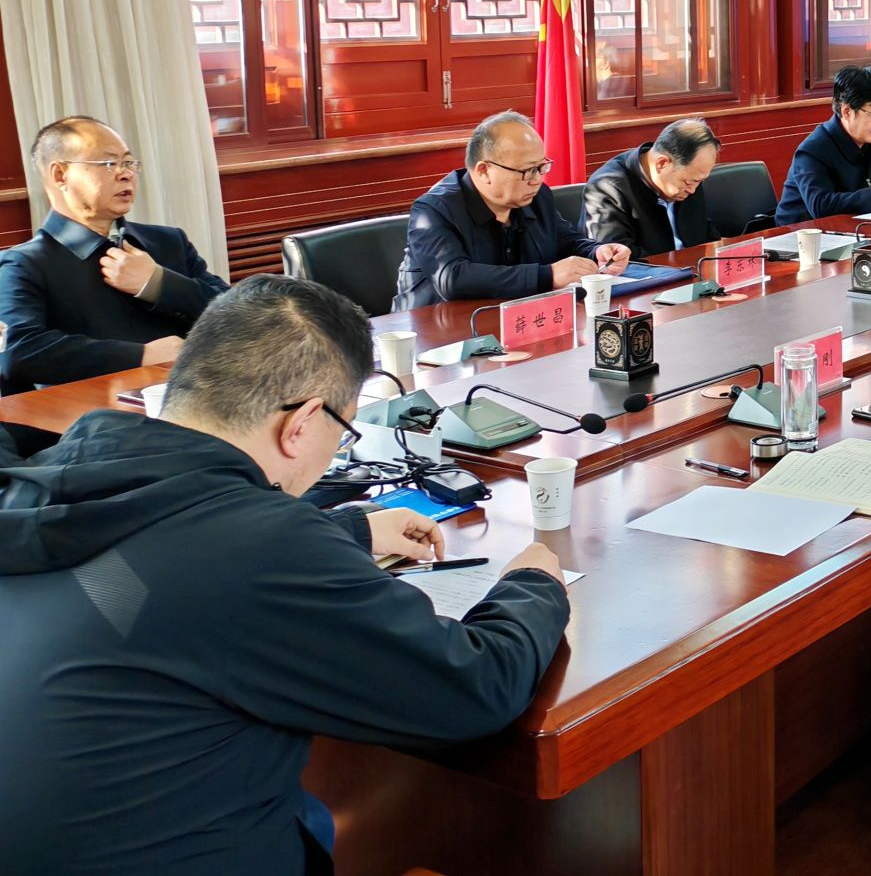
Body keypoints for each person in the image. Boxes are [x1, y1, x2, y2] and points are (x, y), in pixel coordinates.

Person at [0, 275, 570, 876]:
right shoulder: (260, 546)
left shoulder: (49, 481)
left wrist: (345, 531)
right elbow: (475, 687)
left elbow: (139, 580)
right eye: (343, 429)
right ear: (301, 423)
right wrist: (533, 583)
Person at [0, 116, 228, 391]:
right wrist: (141, 356)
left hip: (196, 398)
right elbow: (18, 351)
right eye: (109, 164)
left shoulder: (168, 242)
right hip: (90, 412)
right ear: (60, 175)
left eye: (129, 163)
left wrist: (158, 283)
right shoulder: (24, 264)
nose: (126, 174)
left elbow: (239, 314)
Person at [392, 111, 629, 310]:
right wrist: (548, 275)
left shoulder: (537, 197)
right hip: (435, 332)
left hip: (513, 320)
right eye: (527, 171)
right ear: (484, 170)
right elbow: (452, 278)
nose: (537, 179)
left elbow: (565, 240)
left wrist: (597, 252)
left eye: (542, 167)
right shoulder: (434, 210)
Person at [774, 64, 871, 224]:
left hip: (853, 228)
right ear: (847, 111)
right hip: (799, 234)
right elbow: (821, 206)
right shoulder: (813, 150)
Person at [580, 118, 724, 257]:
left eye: (699, 181)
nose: (693, 190)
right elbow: (616, 259)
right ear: (662, 163)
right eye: (688, 182)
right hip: (652, 272)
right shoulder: (607, 189)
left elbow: (703, 232)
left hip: (694, 266)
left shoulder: (690, 176)